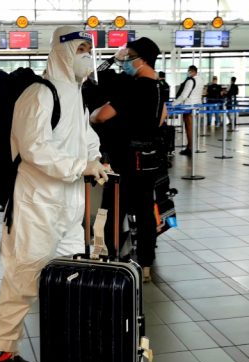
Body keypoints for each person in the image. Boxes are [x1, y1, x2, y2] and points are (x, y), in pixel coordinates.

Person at [0, 26, 107, 362]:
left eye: (89, 49)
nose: (86, 55)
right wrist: (80, 166)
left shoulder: (76, 95)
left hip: (69, 204)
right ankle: (0, 351)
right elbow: (35, 148)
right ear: (61, 51)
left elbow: (86, 136)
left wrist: (96, 159)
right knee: (24, 277)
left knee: (71, 274)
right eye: (80, 48)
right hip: (35, 205)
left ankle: (66, 343)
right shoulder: (39, 93)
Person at [91, 37, 166, 283]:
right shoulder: (160, 86)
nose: (126, 61)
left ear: (142, 59)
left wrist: (92, 115)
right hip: (149, 158)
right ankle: (145, 264)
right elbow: (162, 118)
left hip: (126, 158)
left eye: (129, 56)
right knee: (145, 212)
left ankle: (107, 257)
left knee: (111, 208)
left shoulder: (135, 87)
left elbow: (102, 116)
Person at [172, 65, 203, 156]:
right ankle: (190, 146)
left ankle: (190, 148)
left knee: (188, 127)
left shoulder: (190, 81)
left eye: (189, 71)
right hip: (196, 105)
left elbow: (184, 95)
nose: (188, 73)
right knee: (191, 127)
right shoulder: (200, 80)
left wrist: (174, 103)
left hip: (188, 107)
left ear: (192, 71)